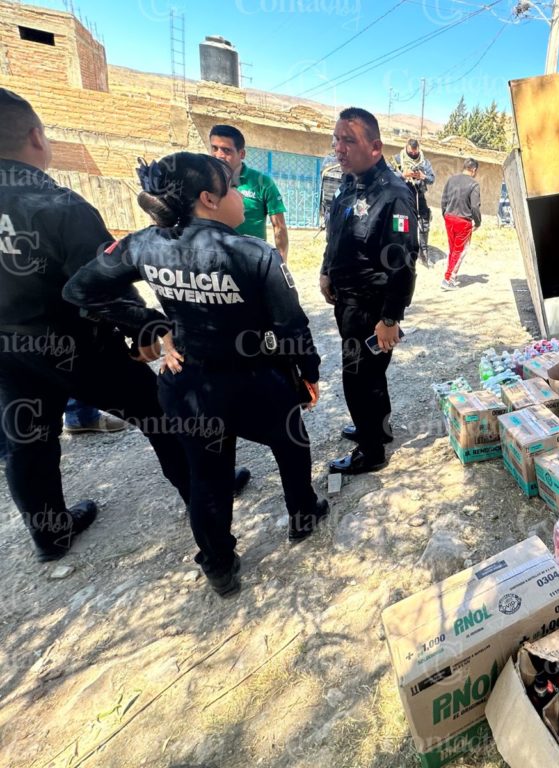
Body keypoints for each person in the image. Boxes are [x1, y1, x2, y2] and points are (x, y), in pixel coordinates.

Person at [64, 152, 327, 597]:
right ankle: (303, 515)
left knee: (207, 477)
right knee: (291, 442)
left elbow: (80, 288)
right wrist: (309, 372)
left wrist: (149, 324)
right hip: (255, 381)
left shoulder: (144, 244)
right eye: (233, 186)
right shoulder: (255, 253)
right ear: (209, 198)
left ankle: (219, 566)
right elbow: (290, 325)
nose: (241, 195)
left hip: (188, 384)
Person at [0, 88, 196, 562]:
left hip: (8, 352)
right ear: (36, 137)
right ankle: (206, 493)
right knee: (159, 411)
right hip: (76, 346)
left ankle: (50, 535)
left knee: (27, 440)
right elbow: (101, 281)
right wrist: (145, 327)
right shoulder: (58, 205)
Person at [320, 108, 417, 475]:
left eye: (349, 140)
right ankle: (377, 427)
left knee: (358, 378)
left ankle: (370, 450)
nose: (339, 148)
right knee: (369, 376)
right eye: (337, 139)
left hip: (371, 308)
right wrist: (326, 270)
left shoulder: (394, 195)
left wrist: (390, 318)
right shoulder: (348, 183)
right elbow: (336, 233)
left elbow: (403, 260)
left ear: (375, 147)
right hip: (346, 300)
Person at [209, 124, 290, 261]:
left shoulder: (262, 183)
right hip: (214, 260)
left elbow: (279, 227)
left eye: (226, 150)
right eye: (214, 148)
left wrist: (282, 264)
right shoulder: (204, 181)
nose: (219, 155)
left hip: (251, 262)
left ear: (242, 154)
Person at [440, 158, 482, 290]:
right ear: (474, 170)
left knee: (452, 249)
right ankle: (448, 279)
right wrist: (478, 222)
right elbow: (474, 207)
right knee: (460, 251)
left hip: (449, 217)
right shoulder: (474, 185)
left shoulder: (451, 180)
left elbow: (444, 199)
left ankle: (450, 274)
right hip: (463, 221)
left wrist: (445, 214)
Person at [392, 138, 434, 252]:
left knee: (424, 221)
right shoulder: (397, 159)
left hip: (418, 196)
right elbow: (387, 175)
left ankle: (423, 250)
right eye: (411, 153)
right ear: (406, 148)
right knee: (401, 223)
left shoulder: (424, 162)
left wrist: (422, 176)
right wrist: (403, 175)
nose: (413, 155)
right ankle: (400, 248)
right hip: (402, 197)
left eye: (415, 153)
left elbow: (432, 179)